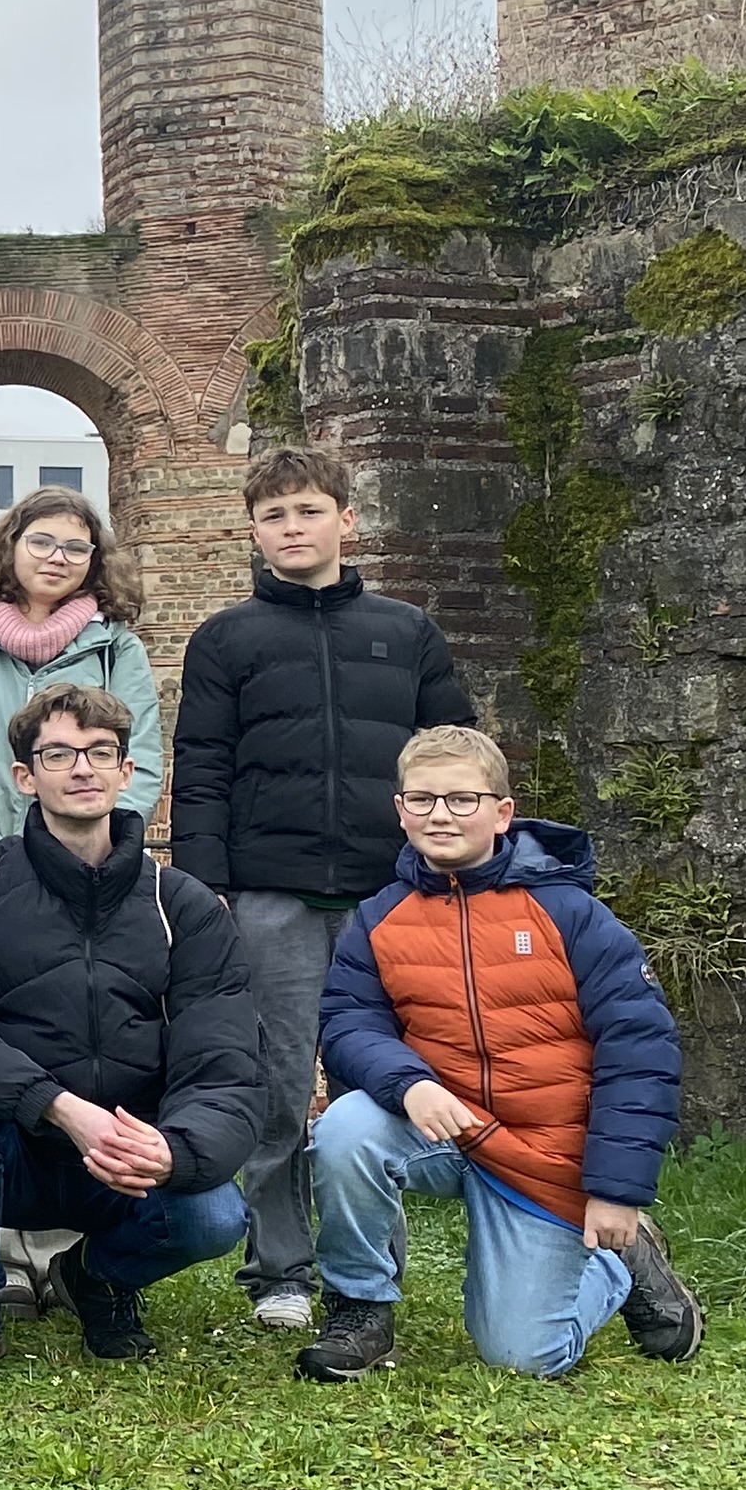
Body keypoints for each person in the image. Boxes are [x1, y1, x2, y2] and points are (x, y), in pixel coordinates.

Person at [170, 444, 474, 1335]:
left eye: (308, 511)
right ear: (254, 532)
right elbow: (204, 768)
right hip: (270, 893)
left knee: (379, 1082)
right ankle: (280, 1267)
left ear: (346, 519)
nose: (292, 529)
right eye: (274, 516)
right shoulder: (226, 639)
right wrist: (203, 884)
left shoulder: (407, 632)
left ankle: (366, 1266)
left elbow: (454, 751)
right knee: (272, 1084)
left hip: (394, 893)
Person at [298, 727, 700, 1381]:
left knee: (523, 1357)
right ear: (400, 811)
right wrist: (407, 1084)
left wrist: (616, 1189)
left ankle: (617, 1264)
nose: (441, 815)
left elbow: (639, 1052)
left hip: (544, 1152)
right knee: (345, 1128)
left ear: (502, 812)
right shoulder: (378, 918)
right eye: (423, 800)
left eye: (462, 799)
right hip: (442, 1127)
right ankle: (360, 1308)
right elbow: (348, 1024)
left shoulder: (572, 914)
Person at [0, 684, 261, 1379]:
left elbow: (225, 1060)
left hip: (124, 1159)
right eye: (59, 753)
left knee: (216, 1216)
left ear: (129, 773)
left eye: (101, 752)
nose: (83, 768)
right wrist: (59, 1108)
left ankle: (96, 1276)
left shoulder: (181, 903)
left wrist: (173, 1152)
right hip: (11, 1152)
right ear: (25, 777)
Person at [0, 487, 161, 859]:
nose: (58, 558)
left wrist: (90, 853)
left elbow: (138, 762)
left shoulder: (118, 650)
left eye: (76, 548)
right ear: (11, 546)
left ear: (93, 561)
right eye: (41, 543)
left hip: (90, 871)